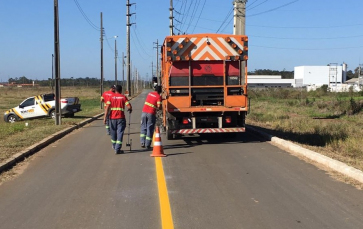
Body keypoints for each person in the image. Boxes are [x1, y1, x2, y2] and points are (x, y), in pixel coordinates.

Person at [103, 85, 132, 154]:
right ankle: (117, 148)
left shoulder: (111, 97)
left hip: (112, 118)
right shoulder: (123, 97)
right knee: (120, 133)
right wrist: (130, 109)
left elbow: (107, 108)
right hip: (121, 118)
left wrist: (105, 118)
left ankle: (114, 146)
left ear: (115, 90)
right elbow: (129, 106)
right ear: (121, 90)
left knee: (113, 133)